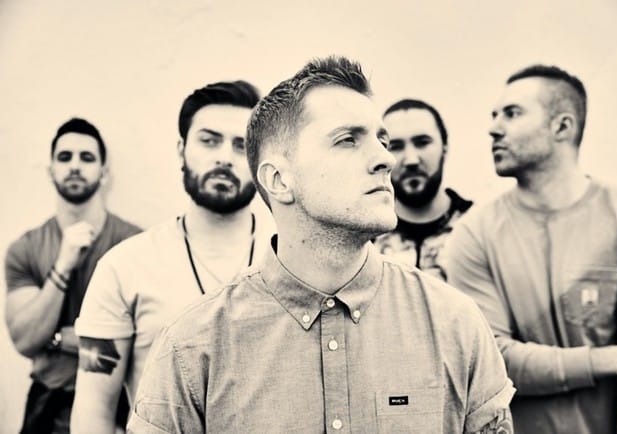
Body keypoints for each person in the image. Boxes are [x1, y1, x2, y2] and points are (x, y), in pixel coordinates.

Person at [127, 56, 514, 434]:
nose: (386, 159)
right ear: (279, 180)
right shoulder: (193, 346)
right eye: (348, 140)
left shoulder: (455, 324)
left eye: (381, 140)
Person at [447, 64, 617, 433]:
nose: (494, 128)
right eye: (494, 115)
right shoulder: (473, 234)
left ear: (562, 127)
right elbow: (492, 362)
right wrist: (612, 359)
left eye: (512, 113)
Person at [71, 81, 274, 434]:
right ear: (182, 150)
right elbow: (93, 413)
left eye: (241, 145)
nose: (224, 157)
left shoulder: (291, 257)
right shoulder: (124, 267)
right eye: (209, 140)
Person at [4, 118, 141, 434]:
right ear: (50, 170)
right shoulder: (24, 249)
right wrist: (62, 265)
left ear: (104, 172)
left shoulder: (133, 244)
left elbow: (144, 338)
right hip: (47, 408)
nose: (75, 166)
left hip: (117, 408)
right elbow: (25, 340)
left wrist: (60, 339)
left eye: (87, 158)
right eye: (65, 157)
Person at [374, 99, 472, 280]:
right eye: (395, 146)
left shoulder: (478, 228)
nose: (411, 160)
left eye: (422, 142)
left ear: (445, 147)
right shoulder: (365, 236)